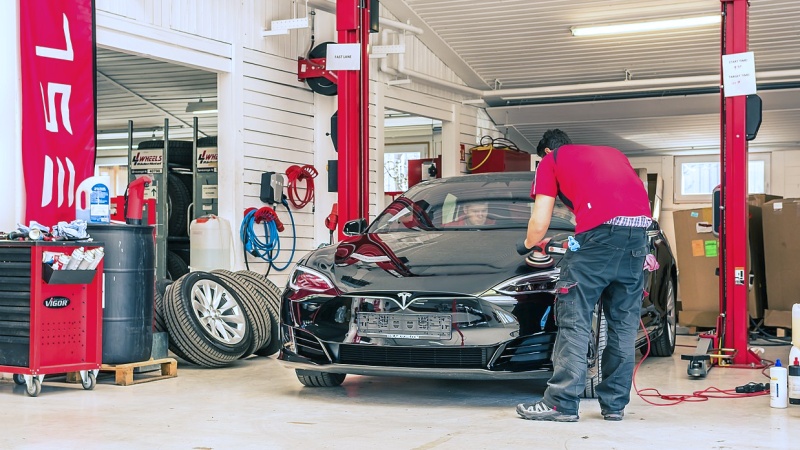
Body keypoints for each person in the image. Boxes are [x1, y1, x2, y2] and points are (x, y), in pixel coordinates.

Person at [515, 129, 652, 422]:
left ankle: (561, 403)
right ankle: (615, 405)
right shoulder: (613, 154)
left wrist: (526, 244)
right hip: (638, 240)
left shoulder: (551, 161)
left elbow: (539, 223)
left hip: (598, 242)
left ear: (546, 153)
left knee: (574, 321)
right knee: (624, 326)